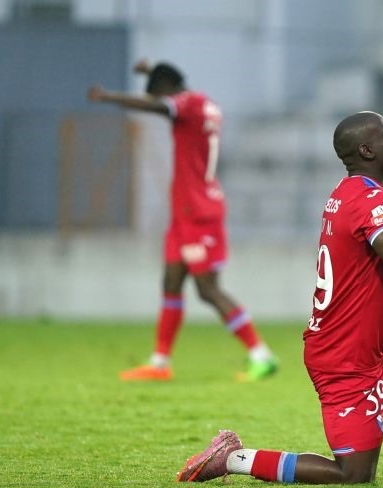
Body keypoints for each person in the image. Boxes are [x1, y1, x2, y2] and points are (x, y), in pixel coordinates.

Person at [176, 111, 383, 484]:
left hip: (375, 331)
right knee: (353, 475)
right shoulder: (369, 199)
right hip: (347, 356)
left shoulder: (353, 193)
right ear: (368, 150)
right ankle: (234, 458)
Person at [87, 60, 278, 382]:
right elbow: (169, 89)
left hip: (197, 212)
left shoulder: (184, 106)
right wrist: (151, 73)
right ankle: (160, 363)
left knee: (207, 289)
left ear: (165, 91)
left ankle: (261, 355)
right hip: (185, 213)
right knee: (171, 282)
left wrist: (110, 97)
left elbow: (162, 106)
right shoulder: (203, 102)